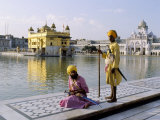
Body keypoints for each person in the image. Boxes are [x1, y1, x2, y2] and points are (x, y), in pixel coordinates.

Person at [98, 30, 122, 102]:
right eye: (109, 36)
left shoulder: (115, 45)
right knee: (111, 81)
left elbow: (116, 57)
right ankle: (111, 95)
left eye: (111, 36)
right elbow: (109, 56)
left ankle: (114, 98)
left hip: (113, 66)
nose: (109, 38)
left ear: (114, 37)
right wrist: (102, 53)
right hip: (109, 65)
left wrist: (114, 67)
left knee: (114, 81)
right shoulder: (110, 45)